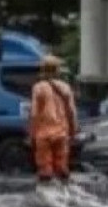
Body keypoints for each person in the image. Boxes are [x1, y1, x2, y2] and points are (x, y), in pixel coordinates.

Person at [29, 55, 78, 185]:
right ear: (57, 70)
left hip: (43, 134)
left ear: (43, 70)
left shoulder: (38, 88)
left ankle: (48, 194)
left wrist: (32, 134)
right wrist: (73, 131)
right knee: (62, 167)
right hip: (62, 133)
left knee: (45, 169)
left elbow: (34, 113)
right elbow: (72, 112)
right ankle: (64, 191)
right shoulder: (66, 88)